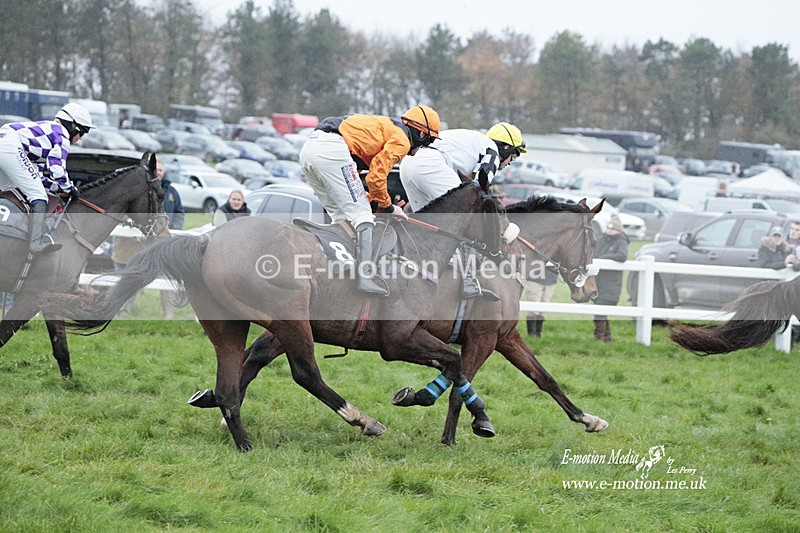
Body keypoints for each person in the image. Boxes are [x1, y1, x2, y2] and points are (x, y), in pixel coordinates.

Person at [300, 105, 441, 297]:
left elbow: (355, 179)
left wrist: (373, 199)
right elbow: (375, 177)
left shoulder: (385, 129)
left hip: (310, 150)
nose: (424, 147)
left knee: (341, 216)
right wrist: (389, 207)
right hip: (332, 150)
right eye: (429, 140)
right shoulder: (402, 140)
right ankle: (365, 276)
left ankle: (339, 269)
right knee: (362, 215)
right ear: (422, 134)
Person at [399, 122, 527, 299]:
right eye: (513, 154)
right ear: (505, 146)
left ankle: (409, 264)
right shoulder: (492, 150)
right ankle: (468, 279)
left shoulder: (472, 143)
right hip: (430, 166)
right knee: (467, 218)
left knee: (427, 223)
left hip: (408, 165)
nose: (511, 162)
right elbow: (481, 183)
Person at [0, 102, 93, 254]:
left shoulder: (45, 135)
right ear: (73, 126)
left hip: (6, 143)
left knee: (7, 191)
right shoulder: (62, 135)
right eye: (82, 133)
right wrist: (70, 188)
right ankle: (36, 244)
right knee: (38, 196)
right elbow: (56, 168)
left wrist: (58, 189)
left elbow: (36, 177)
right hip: (10, 147)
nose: (79, 139)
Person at [112, 157, 185, 319]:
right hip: (130, 246)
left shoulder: (171, 191)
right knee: (128, 281)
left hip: (161, 243)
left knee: (167, 279)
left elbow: (178, 212)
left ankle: (168, 316)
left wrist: (173, 229)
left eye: (160, 170)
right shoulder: (137, 189)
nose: (158, 172)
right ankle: (122, 313)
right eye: (156, 169)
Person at [592, 214, 629, 342]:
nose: (609, 231)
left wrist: (603, 259)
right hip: (598, 282)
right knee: (600, 310)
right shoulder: (602, 239)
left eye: (612, 229)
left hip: (611, 284)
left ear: (618, 230)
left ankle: (600, 336)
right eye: (608, 228)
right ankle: (605, 338)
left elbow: (622, 256)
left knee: (601, 310)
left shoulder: (621, 241)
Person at [523, 267, 558, 337]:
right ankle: (531, 334)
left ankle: (538, 333)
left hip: (551, 279)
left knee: (543, 308)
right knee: (533, 308)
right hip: (535, 279)